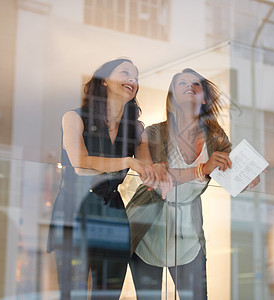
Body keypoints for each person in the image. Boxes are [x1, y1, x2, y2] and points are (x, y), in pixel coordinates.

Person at [127, 68, 260, 299]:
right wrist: (203, 169)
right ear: (172, 96)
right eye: (182, 83)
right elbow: (156, 178)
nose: (190, 85)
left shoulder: (215, 135)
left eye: (196, 84)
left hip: (188, 235)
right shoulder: (154, 132)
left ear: (204, 97)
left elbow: (232, 169)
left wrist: (248, 174)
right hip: (147, 228)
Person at [46, 58, 171, 300]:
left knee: (109, 294)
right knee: (72, 293)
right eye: (125, 72)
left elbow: (145, 169)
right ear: (104, 80)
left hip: (113, 213)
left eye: (135, 76)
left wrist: (158, 170)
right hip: (75, 209)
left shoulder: (136, 129)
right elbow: (80, 162)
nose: (132, 79)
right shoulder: (73, 117)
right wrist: (127, 161)